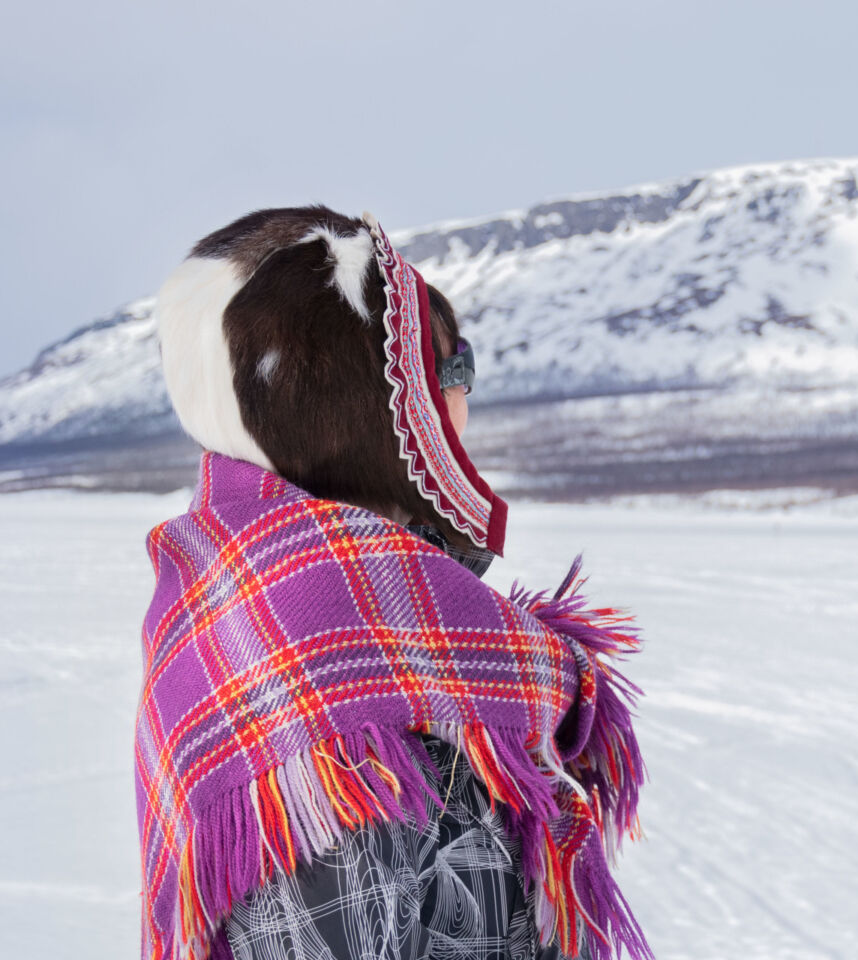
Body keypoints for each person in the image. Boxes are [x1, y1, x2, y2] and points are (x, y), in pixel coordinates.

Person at [135, 206, 651, 960]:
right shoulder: (333, 718)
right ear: (381, 410)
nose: (465, 401)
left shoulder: (245, 607)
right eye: (452, 370)